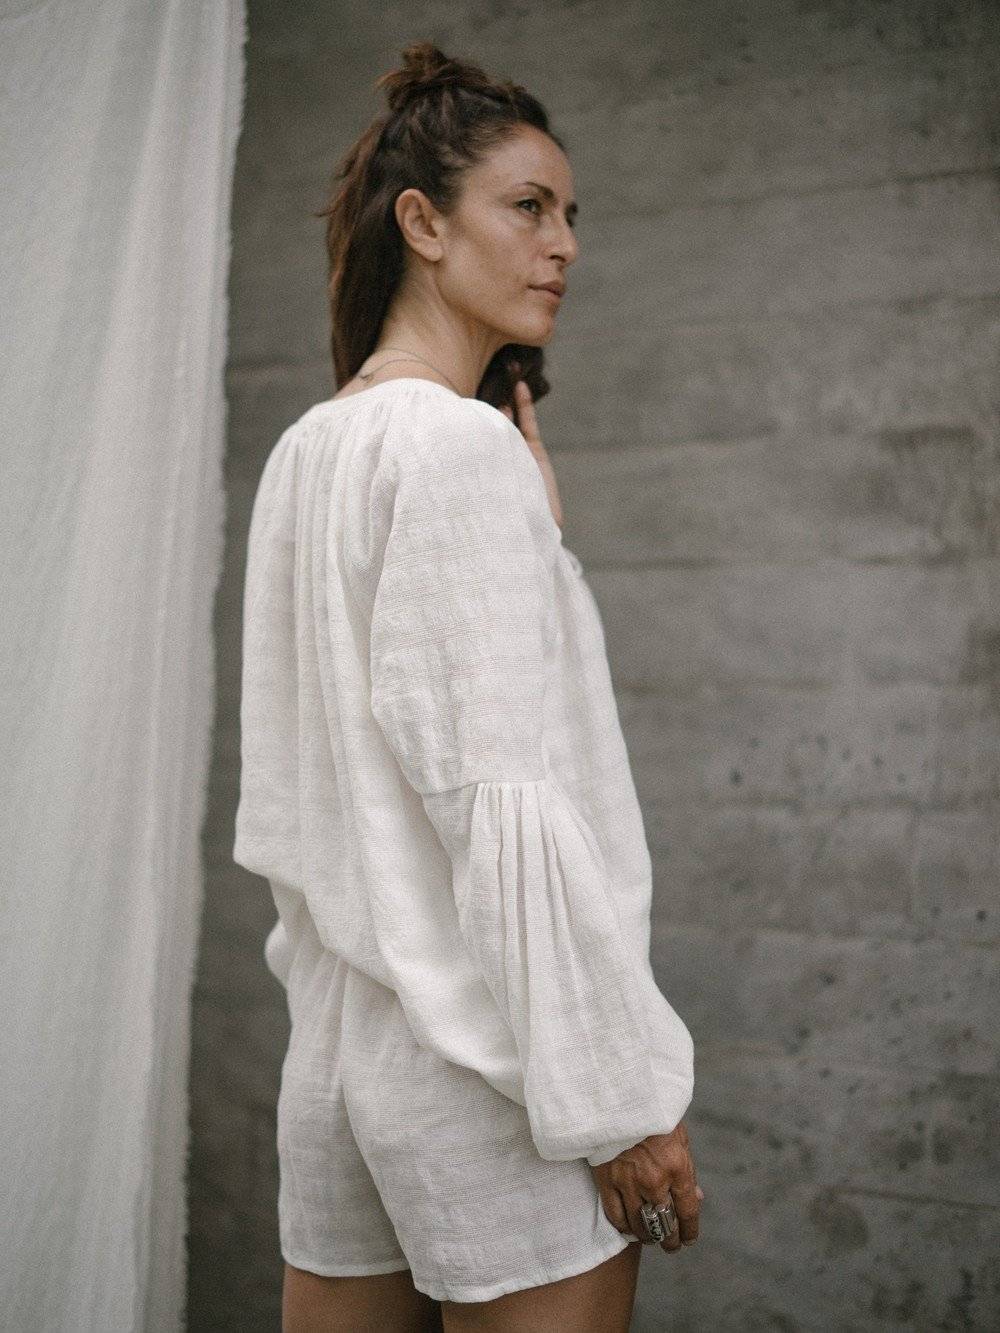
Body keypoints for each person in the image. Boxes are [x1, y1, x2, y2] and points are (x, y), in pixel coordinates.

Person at [233, 40, 704, 1332]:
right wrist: (615, 1101)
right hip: (491, 1077)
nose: (564, 244)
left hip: (342, 1064)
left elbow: (324, 784)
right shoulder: (454, 450)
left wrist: (539, 544)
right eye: (529, 206)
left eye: (570, 214)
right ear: (423, 224)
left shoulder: (307, 452)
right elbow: (499, 800)